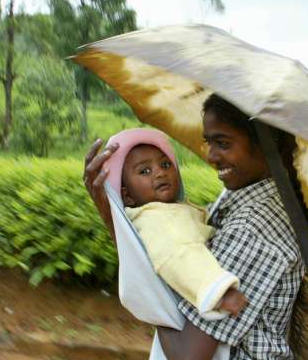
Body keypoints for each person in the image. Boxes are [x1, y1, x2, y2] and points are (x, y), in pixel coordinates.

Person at [84, 94, 304, 360]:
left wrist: (151, 289)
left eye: (223, 143)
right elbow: (171, 257)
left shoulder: (253, 228)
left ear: (264, 141)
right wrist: (118, 219)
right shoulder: (239, 199)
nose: (211, 156)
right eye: (209, 142)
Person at [102, 128, 248, 321]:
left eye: (165, 164)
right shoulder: (154, 221)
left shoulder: (171, 210)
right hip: (197, 312)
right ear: (127, 196)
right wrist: (218, 289)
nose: (160, 173)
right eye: (145, 171)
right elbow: (178, 254)